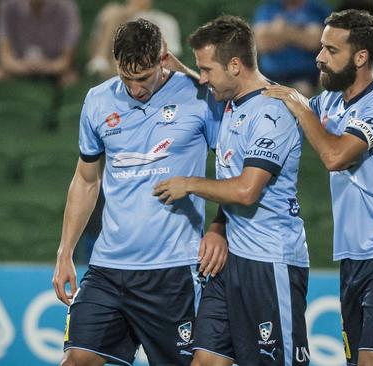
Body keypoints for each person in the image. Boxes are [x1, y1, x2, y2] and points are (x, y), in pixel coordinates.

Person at [52, 18, 225, 366]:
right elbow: (86, 180)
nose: (135, 89)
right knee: (76, 360)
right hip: (107, 268)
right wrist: (65, 251)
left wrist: (220, 227)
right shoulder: (98, 100)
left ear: (163, 59)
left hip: (173, 269)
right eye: (126, 78)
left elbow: (232, 166)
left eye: (143, 79)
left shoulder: (200, 96)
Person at [264, 9, 373, 366]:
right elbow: (272, 100)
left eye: (330, 50)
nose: (319, 57)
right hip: (352, 257)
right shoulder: (329, 103)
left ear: (360, 57)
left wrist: (299, 105)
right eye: (321, 47)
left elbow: (336, 156)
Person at [152, 15, 310, 366]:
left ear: (235, 65)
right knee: (205, 361)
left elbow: (246, 191)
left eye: (207, 69)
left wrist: (189, 184)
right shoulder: (231, 103)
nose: (203, 78)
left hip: (270, 262)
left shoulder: (273, 112)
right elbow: (212, 83)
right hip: (229, 263)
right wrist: (218, 227)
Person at [0, 0, 80, 86]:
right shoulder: (7, 5)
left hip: (54, 69)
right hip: (17, 65)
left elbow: (66, 61)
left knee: (70, 79)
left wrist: (45, 67)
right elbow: (5, 58)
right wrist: (27, 66)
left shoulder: (66, 6)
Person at [86, 0, 182, 79]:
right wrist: (121, 17)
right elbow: (93, 51)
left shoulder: (165, 20)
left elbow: (170, 58)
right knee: (112, 12)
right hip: (114, 67)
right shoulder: (111, 13)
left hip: (149, 68)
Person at [253, 0, 331, 97]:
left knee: (300, 94)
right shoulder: (268, 8)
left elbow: (315, 41)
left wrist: (280, 30)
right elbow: (262, 42)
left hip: (306, 77)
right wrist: (300, 32)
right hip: (269, 76)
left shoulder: (318, 9)